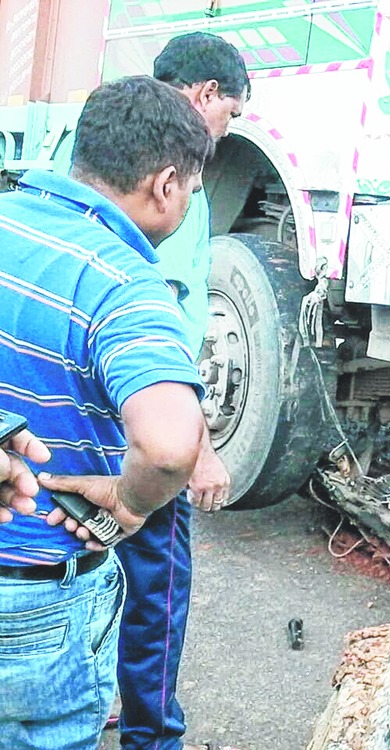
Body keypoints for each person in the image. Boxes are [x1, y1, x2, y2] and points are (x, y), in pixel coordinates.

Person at [0, 76, 213, 749]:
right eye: (193, 193)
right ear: (166, 184)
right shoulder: (125, 283)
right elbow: (170, 446)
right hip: (37, 598)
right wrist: (129, 501)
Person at [108, 32, 248, 750]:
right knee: (156, 585)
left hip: (85, 416)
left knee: (94, 555)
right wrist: (195, 447)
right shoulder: (170, 182)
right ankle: (153, 737)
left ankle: (96, 686)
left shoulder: (99, 145)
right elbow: (160, 311)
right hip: (138, 412)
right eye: (229, 116)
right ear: (202, 97)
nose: (219, 139)